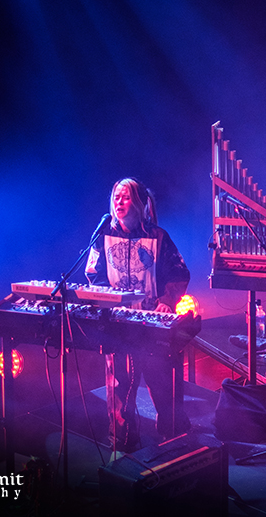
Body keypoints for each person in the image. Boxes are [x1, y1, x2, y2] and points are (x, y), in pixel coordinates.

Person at [85, 177, 191, 452]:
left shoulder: (158, 237)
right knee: (120, 385)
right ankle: (123, 443)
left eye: (126, 197)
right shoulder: (102, 236)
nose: (119, 202)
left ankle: (174, 438)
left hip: (152, 323)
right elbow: (93, 275)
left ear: (141, 203)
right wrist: (105, 301)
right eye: (116, 197)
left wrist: (168, 300)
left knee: (163, 382)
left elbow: (179, 272)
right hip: (117, 323)